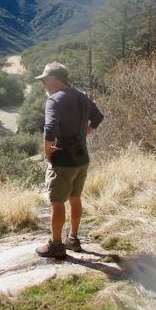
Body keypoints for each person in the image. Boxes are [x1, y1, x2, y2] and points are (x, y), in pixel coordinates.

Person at [34, 61, 104, 258]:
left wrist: (48, 152)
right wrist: (84, 134)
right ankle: (73, 239)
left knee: (57, 203)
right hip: (82, 158)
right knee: (75, 199)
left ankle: (56, 246)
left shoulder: (54, 100)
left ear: (54, 80)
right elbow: (98, 117)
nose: (43, 85)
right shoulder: (82, 96)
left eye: (45, 80)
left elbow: (50, 129)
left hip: (63, 161)